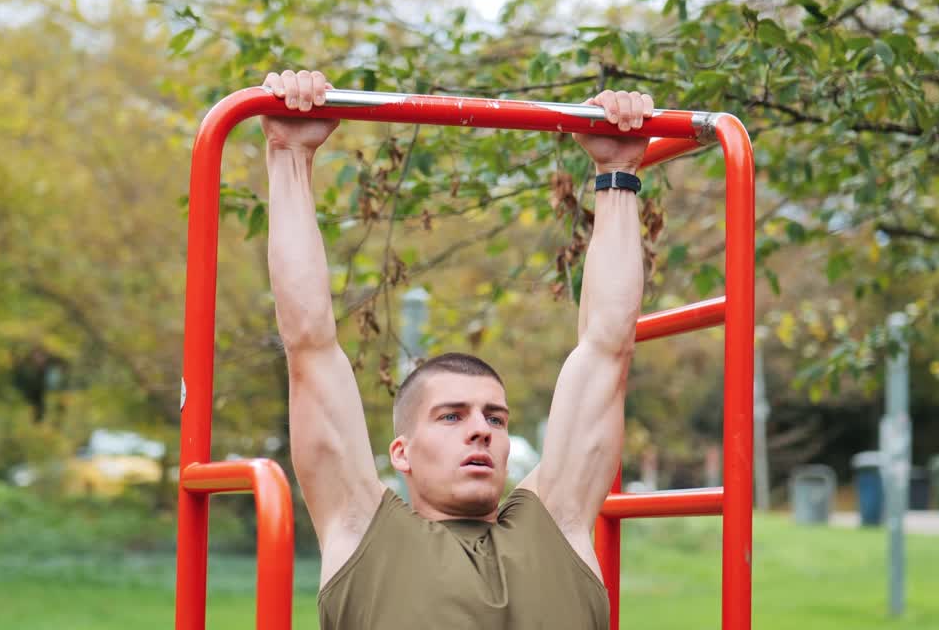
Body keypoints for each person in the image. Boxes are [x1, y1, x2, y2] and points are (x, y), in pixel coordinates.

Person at [262, 69, 652, 629]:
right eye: (451, 416)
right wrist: (289, 154)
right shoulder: (362, 530)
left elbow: (607, 348)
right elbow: (310, 345)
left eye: (495, 416)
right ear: (402, 453)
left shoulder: (557, 523)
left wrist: (617, 173)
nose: (482, 430)